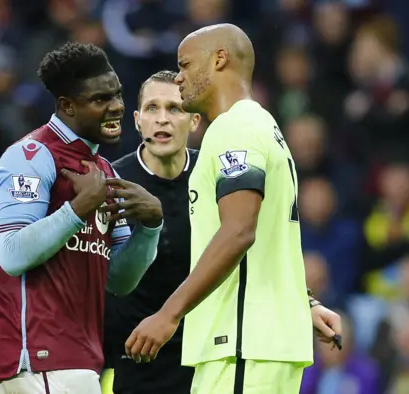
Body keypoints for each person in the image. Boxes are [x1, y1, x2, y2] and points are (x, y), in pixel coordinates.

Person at [126, 24, 343, 393]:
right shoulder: (264, 124)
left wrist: (169, 314)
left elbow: (239, 230)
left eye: (185, 65)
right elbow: (269, 242)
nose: (178, 78)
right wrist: (303, 302)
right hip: (257, 346)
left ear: (220, 59)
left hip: (242, 344)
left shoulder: (233, 128)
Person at [0, 42, 163, 394]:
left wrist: (150, 227)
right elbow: (10, 253)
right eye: (100, 100)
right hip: (37, 359)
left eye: (117, 95)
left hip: (77, 358)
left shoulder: (103, 170)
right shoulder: (31, 156)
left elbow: (119, 280)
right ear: (67, 106)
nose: (116, 107)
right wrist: (79, 209)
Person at [103, 70, 200, 394]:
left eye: (175, 109)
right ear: (136, 120)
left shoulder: (214, 174)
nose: (162, 120)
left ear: (195, 121)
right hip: (138, 358)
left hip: (208, 356)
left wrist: (307, 303)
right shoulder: (113, 182)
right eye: (152, 109)